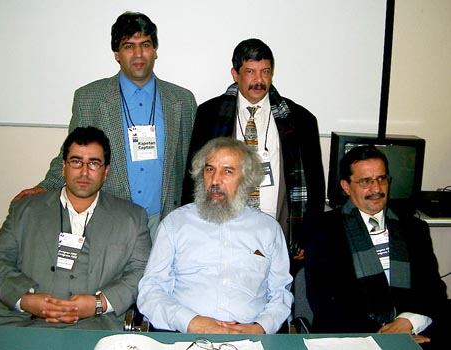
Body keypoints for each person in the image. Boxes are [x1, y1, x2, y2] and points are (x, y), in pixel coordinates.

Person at [14, 12, 197, 240]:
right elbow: (71, 155)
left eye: (145, 45)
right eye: (129, 46)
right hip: (109, 217)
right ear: (117, 54)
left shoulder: (182, 100)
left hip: (165, 221)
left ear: (155, 51)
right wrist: (45, 187)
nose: (138, 54)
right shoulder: (90, 98)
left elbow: (194, 165)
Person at [0, 127, 152, 329]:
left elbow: (141, 271)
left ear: (106, 172)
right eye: (76, 162)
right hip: (17, 319)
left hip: (93, 322)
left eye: (94, 163)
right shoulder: (25, 209)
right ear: (63, 167)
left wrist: (98, 304)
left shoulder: (132, 218)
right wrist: (25, 300)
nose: (84, 172)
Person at [181, 38, 324, 262]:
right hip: (222, 233)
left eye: (265, 71)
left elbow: (315, 186)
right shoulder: (209, 114)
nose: (259, 80)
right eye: (250, 71)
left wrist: (308, 237)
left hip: (282, 234)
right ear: (235, 74)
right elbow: (194, 178)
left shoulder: (301, 120)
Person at [138, 137, 294, 334]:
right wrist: (191, 322)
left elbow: (280, 292)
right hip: (184, 336)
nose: (215, 180)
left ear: (246, 179)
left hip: (251, 340)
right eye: (210, 169)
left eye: (227, 171)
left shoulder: (268, 230)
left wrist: (261, 328)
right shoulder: (175, 224)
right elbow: (150, 291)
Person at [305, 145, 448, 348]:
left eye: (381, 179)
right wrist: (382, 336)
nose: (376, 189)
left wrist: (408, 322)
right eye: (365, 181)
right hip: (350, 337)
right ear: (346, 186)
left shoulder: (414, 228)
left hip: (411, 331)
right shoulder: (324, 230)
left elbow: (434, 290)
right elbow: (324, 302)